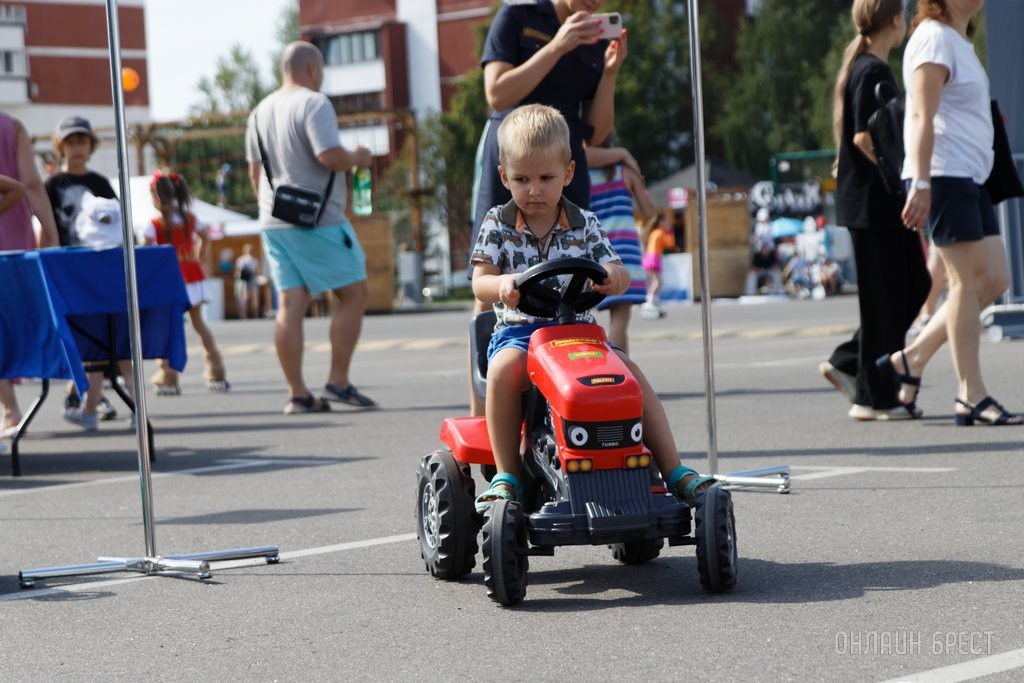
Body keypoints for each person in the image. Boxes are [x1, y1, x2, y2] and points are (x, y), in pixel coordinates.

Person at [469, 104, 714, 512]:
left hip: (578, 333)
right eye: (522, 179)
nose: (534, 189)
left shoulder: (586, 223)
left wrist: (614, 278)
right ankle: (507, 475)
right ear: (503, 177)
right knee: (501, 371)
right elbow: (480, 281)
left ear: (567, 173)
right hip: (520, 333)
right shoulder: (497, 223)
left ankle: (672, 470)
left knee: (629, 375)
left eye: (546, 178)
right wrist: (503, 284)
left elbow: (616, 270)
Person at [466, 0, 628, 417]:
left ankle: (566, 415)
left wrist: (609, 73)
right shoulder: (518, 15)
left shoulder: (592, 36)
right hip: (514, 156)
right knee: (493, 294)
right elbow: (496, 92)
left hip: (562, 165)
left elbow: (596, 129)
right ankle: (484, 419)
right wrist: (557, 46)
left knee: (572, 265)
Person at [877, 0, 1021, 427]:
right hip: (943, 176)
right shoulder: (933, 37)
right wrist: (920, 183)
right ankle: (970, 394)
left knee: (994, 279)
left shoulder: (959, 39)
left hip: (972, 177)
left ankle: (913, 357)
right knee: (963, 283)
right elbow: (921, 113)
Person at [245, 41, 377, 414]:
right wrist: (358, 156)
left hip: (273, 218)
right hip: (317, 218)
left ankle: (297, 393)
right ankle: (338, 380)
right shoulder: (314, 102)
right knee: (354, 292)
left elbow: (255, 173)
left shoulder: (258, 111)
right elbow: (329, 156)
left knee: (291, 302)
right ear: (312, 70)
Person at [818, 0, 931, 422]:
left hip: (875, 205)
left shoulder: (865, 66)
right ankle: (873, 394)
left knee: (910, 288)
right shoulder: (872, 70)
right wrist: (899, 178)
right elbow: (865, 137)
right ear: (897, 21)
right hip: (876, 203)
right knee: (889, 297)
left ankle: (853, 361)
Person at [45, 115, 124, 425]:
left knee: (97, 334)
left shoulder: (100, 184)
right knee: (71, 336)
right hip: (65, 266)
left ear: (91, 145)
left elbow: (116, 224)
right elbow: (45, 227)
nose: (77, 147)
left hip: (96, 269)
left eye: (82, 141)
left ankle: (89, 393)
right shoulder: (52, 184)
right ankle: (83, 390)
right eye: (70, 142)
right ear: (60, 146)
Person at [142, 170, 229, 394]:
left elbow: (146, 254)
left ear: (156, 196)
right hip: (193, 277)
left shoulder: (154, 225)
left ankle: (168, 374)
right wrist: (201, 254)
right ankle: (216, 369)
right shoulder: (190, 219)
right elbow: (205, 235)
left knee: (169, 328)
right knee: (199, 325)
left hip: (169, 283)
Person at [0, 112, 59, 441]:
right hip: (14, 226)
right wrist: (50, 233)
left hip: (9, 213)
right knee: (10, 317)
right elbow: (32, 184)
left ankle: (8, 407)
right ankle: (8, 406)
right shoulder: (13, 126)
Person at [585, 138, 653, 353]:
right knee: (620, 321)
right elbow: (649, 211)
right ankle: (620, 372)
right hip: (625, 253)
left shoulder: (579, 174)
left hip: (595, 252)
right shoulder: (625, 172)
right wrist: (639, 183)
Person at [640, 211, 674, 319]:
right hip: (654, 257)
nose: (666, 223)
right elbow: (670, 244)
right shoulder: (660, 232)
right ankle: (650, 301)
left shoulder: (654, 232)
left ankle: (653, 301)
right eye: (665, 221)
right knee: (658, 281)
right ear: (660, 222)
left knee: (654, 281)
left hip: (650, 257)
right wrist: (670, 232)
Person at [234, 243, 261, 319]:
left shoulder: (241, 260)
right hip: (248, 280)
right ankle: (252, 315)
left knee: (248, 299)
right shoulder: (254, 260)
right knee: (250, 299)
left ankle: (247, 315)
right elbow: (258, 272)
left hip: (247, 280)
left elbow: (237, 272)